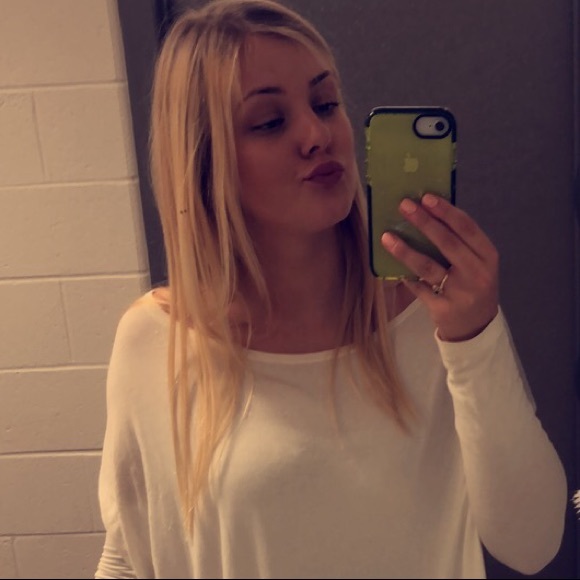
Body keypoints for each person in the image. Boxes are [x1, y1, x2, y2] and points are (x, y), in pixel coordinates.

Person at [95, 0, 568, 577]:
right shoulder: (155, 340)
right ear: (205, 160)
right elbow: (128, 556)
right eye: (270, 121)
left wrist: (475, 338)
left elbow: (532, 542)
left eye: (325, 104)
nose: (317, 134)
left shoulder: (436, 315)